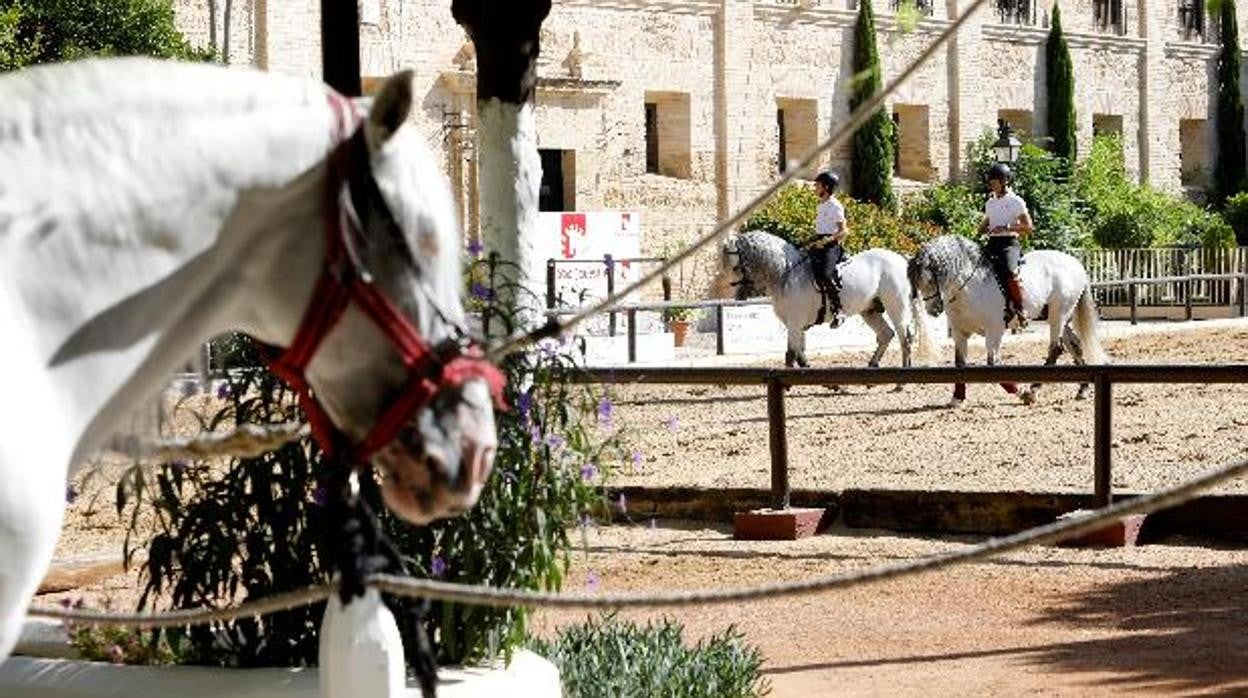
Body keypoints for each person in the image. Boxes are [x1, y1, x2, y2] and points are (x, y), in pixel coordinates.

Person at [980, 162, 1034, 329]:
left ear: (1004, 182)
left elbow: (1028, 227)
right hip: (992, 242)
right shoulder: (990, 203)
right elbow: (985, 224)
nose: (991, 185)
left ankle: (1020, 308)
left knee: (1010, 272)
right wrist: (983, 229)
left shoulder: (1016, 201)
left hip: (1009, 244)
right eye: (990, 182)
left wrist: (1007, 227)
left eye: (994, 182)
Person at [807, 170, 849, 327]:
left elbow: (844, 231)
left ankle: (839, 310)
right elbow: (821, 229)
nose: (815, 188)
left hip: (831, 246)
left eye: (817, 185)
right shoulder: (821, 205)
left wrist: (826, 241)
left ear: (825, 187)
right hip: (818, 243)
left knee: (825, 275)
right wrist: (809, 240)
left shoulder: (835, 206)